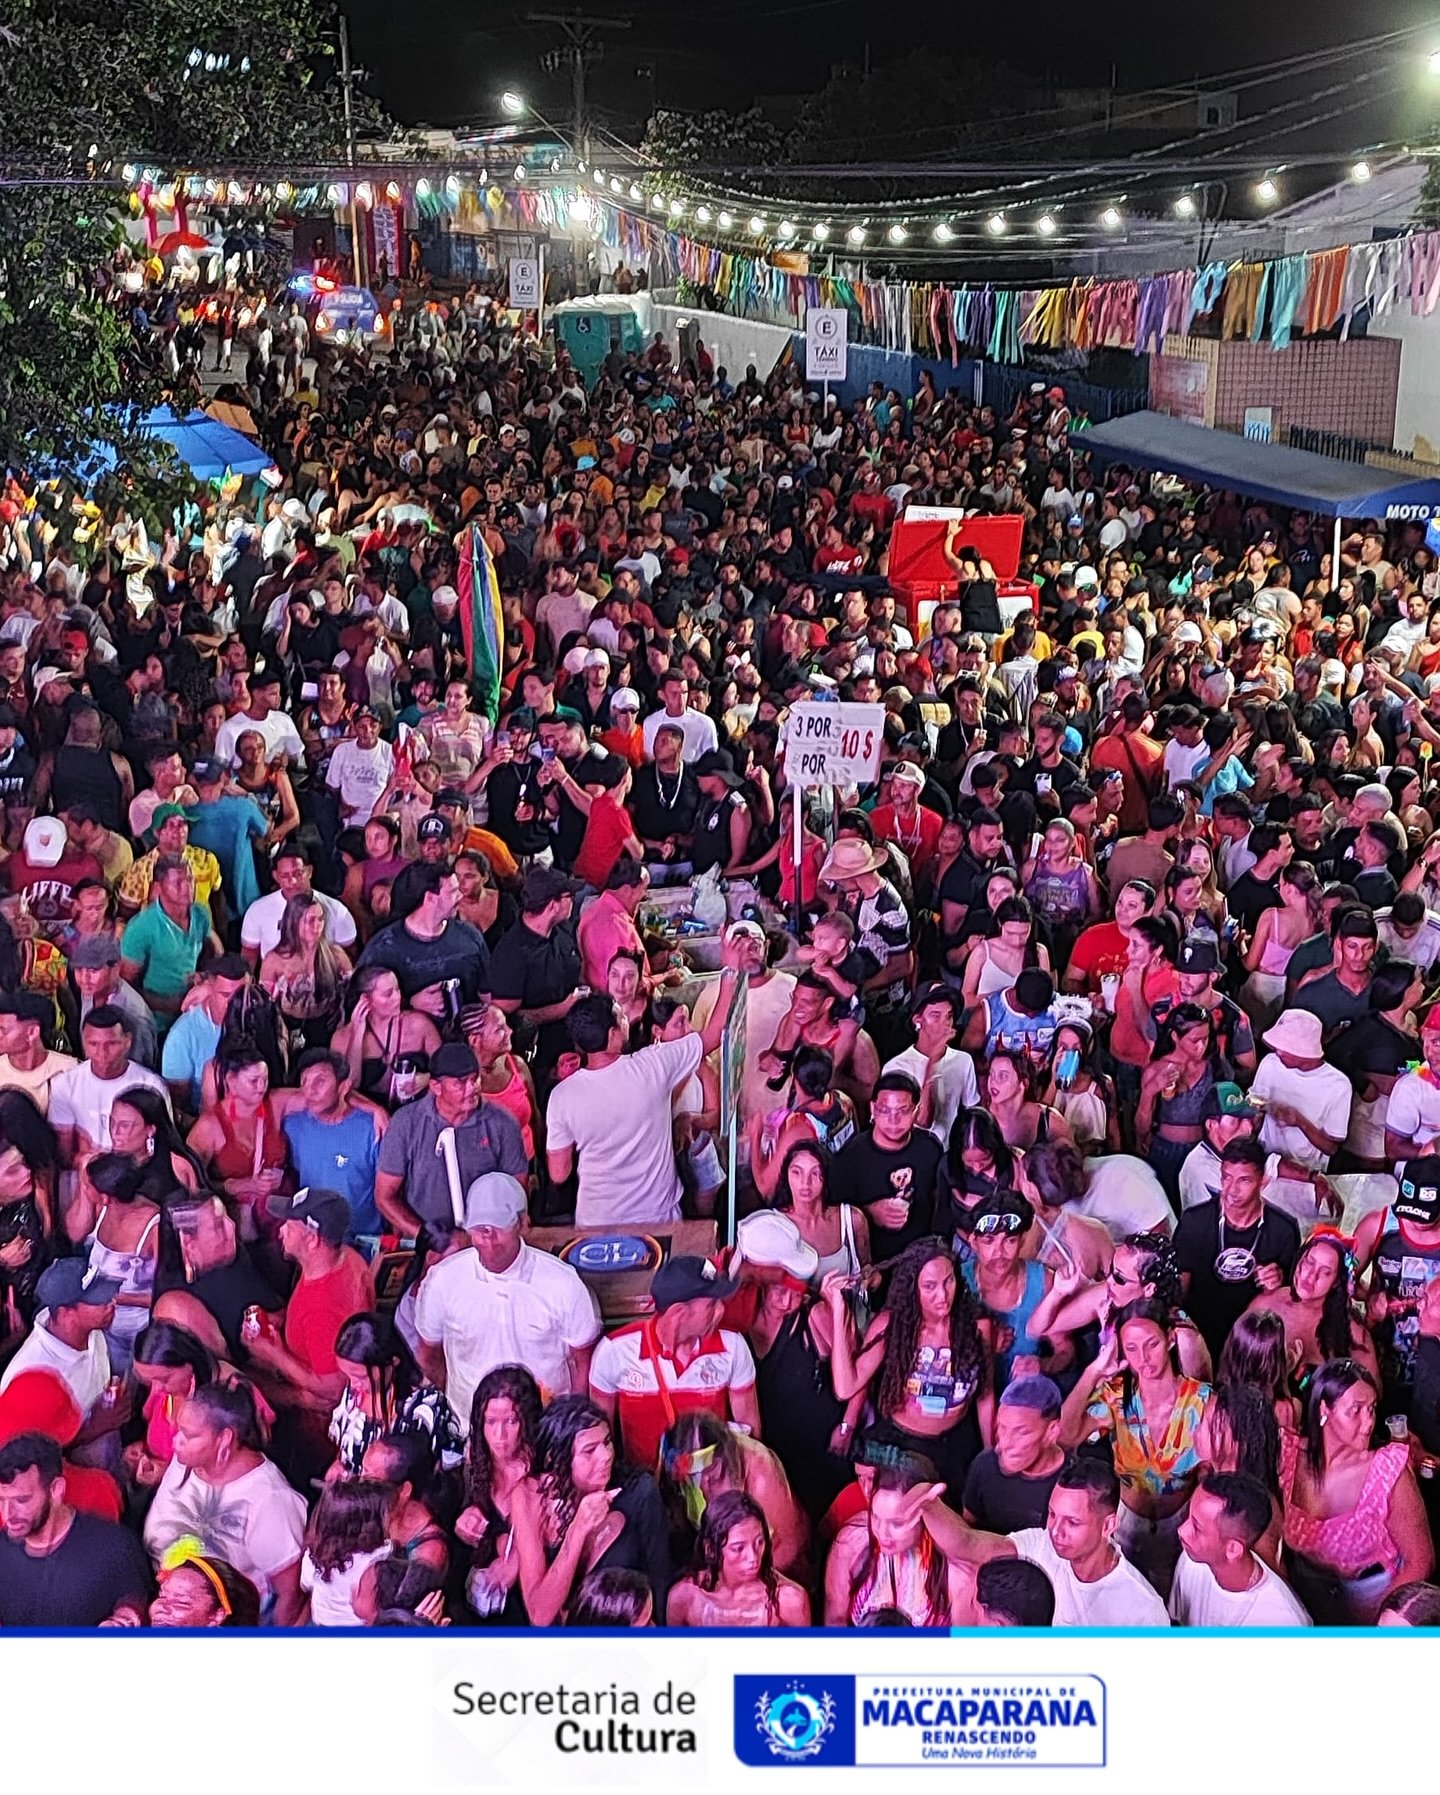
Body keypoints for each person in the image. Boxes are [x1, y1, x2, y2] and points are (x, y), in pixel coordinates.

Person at [546, 976, 736, 1227]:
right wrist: (731, 978)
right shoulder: (652, 1066)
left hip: (596, 1220)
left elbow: (559, 1174)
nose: (627, 1019)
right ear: (614, 1034)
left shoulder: (561, 1096)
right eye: (620, 1017)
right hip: (657, 1216)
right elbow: (712, 1036)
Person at [415, 1172, 600, 1426]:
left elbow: (583, 1361)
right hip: (470, 1426)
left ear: (523, 1223)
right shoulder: (443, 1280)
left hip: (543, 1426)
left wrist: (569, 1426)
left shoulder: (563, 1282)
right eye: (480, 1229)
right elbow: (428, 1355)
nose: (488, 1238)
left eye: (498, 1228)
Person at [1061, 1297, 1212, 1598]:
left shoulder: (1201, 1400)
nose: (1143, 1357)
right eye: (1131, 1348)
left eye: (1151, 1344)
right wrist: (1094, 1371)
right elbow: (1067, 1436)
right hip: (1126, 1522)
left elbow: (1212, 1469)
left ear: (1169, 1339)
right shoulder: (1117, 1396)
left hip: (1181, 1523)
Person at [829, 1236, 991, 1503]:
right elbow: (847, 1386)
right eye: (929, 1286)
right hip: (902, 1444)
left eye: (948, 1281)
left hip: (957, 1443)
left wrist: (989, 1453)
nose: (942, 1295)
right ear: (912, 1288)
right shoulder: (891, 1325)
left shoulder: (977, 1324)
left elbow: (985, 1392)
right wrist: (838, 1311)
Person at [1279, 1358, 1434, 1623]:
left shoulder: (1387, 1473)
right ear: (1323, 1410)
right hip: (1308, 1597)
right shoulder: (1290, 1457)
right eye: (1356, 1410)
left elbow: (1421, 1560)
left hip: (1372, 1600)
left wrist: (1380, 1623)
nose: (1369, 1422)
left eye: (1372, 1409)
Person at [143, 1380, 307, 1625]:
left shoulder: (270, 1500)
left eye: (189, 1435)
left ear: (224, 1439)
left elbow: (289, 1595)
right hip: (166, 1604)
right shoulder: (187, 1462)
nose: (177, 1440)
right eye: (179, 1430)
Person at [509, 1395, 670, 1626]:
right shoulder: (529, 1496)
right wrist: (578, 1529)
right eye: (589, 1450)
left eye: (606, 1442)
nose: (605, 1457)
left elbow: (660, 1580)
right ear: (556, 1458)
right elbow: (539, 1616)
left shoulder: (639, 1491)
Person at [589, 1255, 759, 1471]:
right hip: (647, 1490)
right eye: (712, 1305)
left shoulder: (733, 1347)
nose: (721, 1311)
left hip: (711, 1482)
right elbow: (602, 1435)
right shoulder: (614, 1351)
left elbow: (751, 1435)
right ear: (679, 1313)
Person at [373, 1042, 528, 1242]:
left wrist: (488, 1236)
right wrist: (428, 1237)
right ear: (436, 1087)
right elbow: (385, 1196)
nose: (472, 1088)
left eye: (475, 1079)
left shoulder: (502, 1123)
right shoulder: (405, 1123)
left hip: (487, 1240)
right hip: (426, 1242)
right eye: (460, 1083)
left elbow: (515, 1192)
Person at [0, 1432, 150, 1627]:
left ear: (56, 1490)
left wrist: (124, 1620)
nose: (7, 1513)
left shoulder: (114, 1547)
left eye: (22, 1500)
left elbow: (135, 1605)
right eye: (1, 1501)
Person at [1173, 1140, 1301, 1361]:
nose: (1232, 1190)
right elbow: (1179, 1286)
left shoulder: (1283, 1229)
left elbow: (1293, 1300)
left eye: (1244, 1180)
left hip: (1252, 1341)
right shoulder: (1195, 1221)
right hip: (1199, 1331)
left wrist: (1279, 1284)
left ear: (1263, 1180)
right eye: (1226, 1177)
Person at [328, 1311, 460, 1481]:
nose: (353, 1385)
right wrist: (338, 1465)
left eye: (361, 1376)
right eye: (348, 1376)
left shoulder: (424, 1407)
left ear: (393, 1362)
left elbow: (440, 1477)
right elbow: (344, 1449)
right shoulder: (354, 1394)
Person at [1169, 1471, 1313, 1626]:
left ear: (1233, 1549)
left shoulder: (1283, 1621)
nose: (1182, 1530)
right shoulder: (1191, 1561)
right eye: (1188, 1517)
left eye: (1197, 1528)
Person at [830, 1072, 942, 1265]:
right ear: (873, 1109)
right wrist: (869, 1212)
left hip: (922, 1259)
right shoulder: (851, 1157)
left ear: (916, 1111)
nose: (893, 1119)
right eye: (884, 1110)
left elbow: (939, 1200)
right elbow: (833, 1215)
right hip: (874, 1265)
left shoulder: (929, 1148)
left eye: (902, 1111)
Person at [279, 1050, 386, 1242]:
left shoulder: (372, 1129)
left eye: (319, 1082)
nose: (309, 1091)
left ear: (344, 1087)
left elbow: (389, 1191)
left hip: (363, 1242)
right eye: (304, 1082)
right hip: (314, 1242)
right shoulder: (292, 1126)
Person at [666, 1492, 810, 1627]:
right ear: (711, 1550)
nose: (753, 1558)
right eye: (739, 1548)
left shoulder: (789, 1600)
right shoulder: (685, 1596)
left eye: (759, 1542)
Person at [961, 1374, 1071, 1535]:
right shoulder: (985, 1466)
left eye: (1021, 1432)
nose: (1005, 1443)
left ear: (1051, 1432)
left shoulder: (1074, 1482)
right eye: (1002, 1428)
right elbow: (968, 1529)